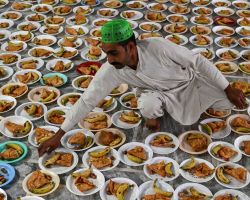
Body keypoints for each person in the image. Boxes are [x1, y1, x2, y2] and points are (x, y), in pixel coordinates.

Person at [38, 19, 245, 156]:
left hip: (190, 83)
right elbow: (87, 100)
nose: (108, 60)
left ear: (130, 47)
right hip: (157, 94)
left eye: (113, 53)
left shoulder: (158, 47)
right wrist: (59, 134)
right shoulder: (111, 69)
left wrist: (228, 88)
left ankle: (201, 102)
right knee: (148, 104)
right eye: (106, 54)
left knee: (231, 103)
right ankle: (154, 116)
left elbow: (198, 62)